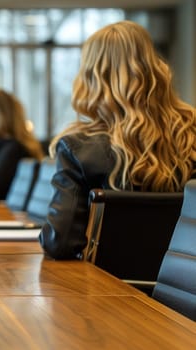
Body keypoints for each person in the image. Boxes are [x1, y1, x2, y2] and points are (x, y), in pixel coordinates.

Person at [39, 21, 196, 260]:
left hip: (110, 291)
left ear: (91, 77)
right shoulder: (190, 134)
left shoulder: (77, 148)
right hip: (183, 289)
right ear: (153, 68)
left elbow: (59, 243)